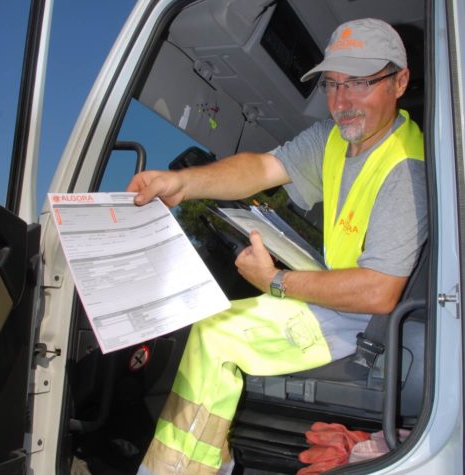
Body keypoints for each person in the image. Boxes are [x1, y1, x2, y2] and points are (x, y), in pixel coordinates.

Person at [128, 18, 427, 475]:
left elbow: (379, 292)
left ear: (399, 81)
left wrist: (277, 281)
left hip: (370, 321)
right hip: (342, 302)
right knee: (213, 324)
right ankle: (207, 460)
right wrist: (182, 183)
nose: (342, 101)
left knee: (216, 338)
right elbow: (261, 169)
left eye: (361, 83)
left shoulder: (408, 169)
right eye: (332, 84)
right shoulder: (334, 140)